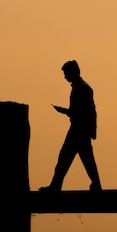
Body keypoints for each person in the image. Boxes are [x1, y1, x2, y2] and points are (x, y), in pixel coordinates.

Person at [40, 60, 102, 192]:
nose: (65, 76)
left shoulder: (82, 88)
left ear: (73, 72)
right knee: (82, 159)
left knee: (67, 158)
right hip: (80, 129)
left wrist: (64, 111)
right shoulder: (81, 87)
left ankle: (56, 186)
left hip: (79, 129)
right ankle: (95, 184)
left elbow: (87, 111)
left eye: (66, 73)